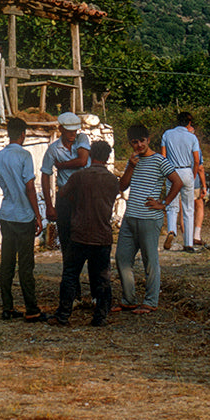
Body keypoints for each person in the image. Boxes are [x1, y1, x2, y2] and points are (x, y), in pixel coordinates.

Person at [49, 139, 120, 327]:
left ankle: (63, 315)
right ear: (107, 157)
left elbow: (63, 194)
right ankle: (100, 317)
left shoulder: (79, 177)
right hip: (102, 235)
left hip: (79, 233)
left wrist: (78, 200)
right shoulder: (112, 180)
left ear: (90, 155)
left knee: (70, 275)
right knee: (102, 278)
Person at [115, 123, 182, 314]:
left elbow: (177, 182)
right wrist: (130, 166)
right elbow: (122, 186)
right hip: (130, 217)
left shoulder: (160, 160)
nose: (139, 145)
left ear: (148, 140)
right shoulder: (133, 161)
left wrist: (164, 203)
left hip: (149, 218)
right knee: (122, 258)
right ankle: (129, 299)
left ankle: (151, 301)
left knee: (150, 261)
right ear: (130, 143)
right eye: (134, 142)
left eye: (142, 141)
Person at [0, 117, 47, 322]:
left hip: (6, 213)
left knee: (7, 263)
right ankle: (31, 308)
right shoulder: (24, 155)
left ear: (9, 134)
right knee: (25, 265)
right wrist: (38, 215)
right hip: (23, 215)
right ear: (23, 134)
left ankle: (7, 307)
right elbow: (30, 188)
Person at [40, 111, 91, 296]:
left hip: (85, 198)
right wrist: (49, 205)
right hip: (66, 199)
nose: (72, 134)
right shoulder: (53, 149)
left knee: (91, 244)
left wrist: (61, 165)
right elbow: (45, 176)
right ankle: (73, 292)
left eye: (75, 130)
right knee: (67, 246)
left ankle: (95, 292)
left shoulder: (82, 139)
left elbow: (83, 161)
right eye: (69, 131)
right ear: (60, 129)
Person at [160, 111, 201, 252]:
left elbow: (163, 157)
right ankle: (188, 243)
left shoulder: (167, 134)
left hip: (172, 171)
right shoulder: (192, 137)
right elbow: (196, 160)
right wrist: (193, 174)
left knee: (172, 205)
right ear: (189, 123)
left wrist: (165, 173)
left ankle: (172, 230)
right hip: (186, 170)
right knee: (188, 208)